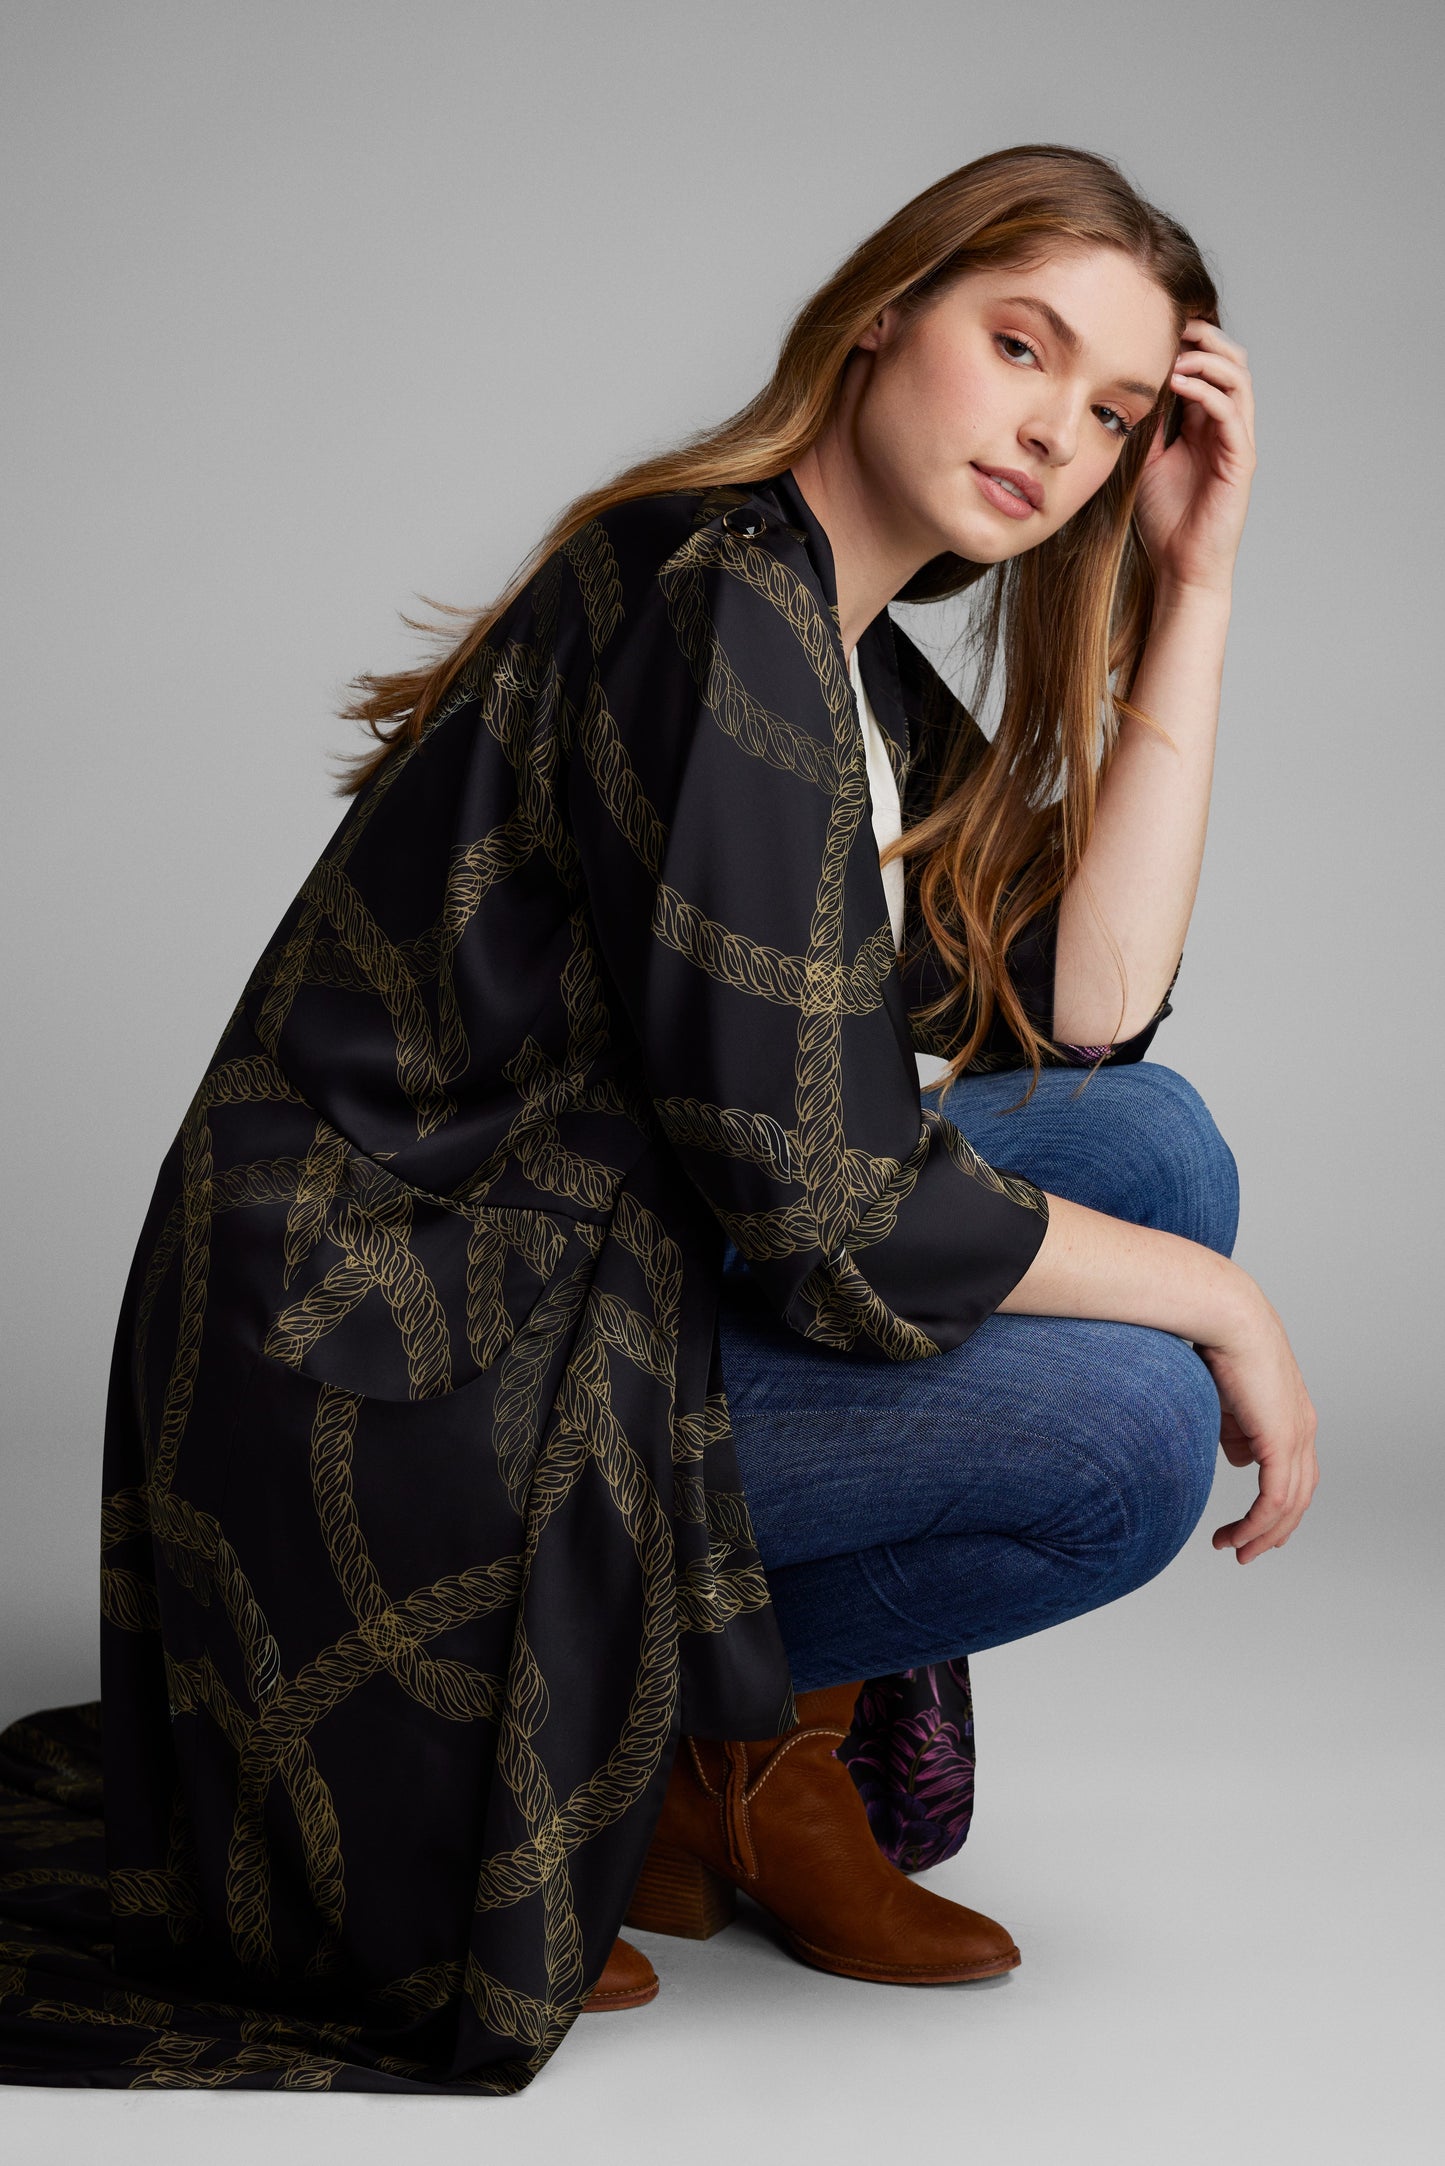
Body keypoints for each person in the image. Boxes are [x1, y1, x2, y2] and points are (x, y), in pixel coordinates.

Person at [0, 142, 1316, 2095]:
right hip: (405, 1364)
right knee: (1127, 1432)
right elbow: (839, 1218)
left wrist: (1190, 581)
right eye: (1020, 344)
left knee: (1148, 1143)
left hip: (586, 1283)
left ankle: (714, 1773)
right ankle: (612, 1759)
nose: (1058, 430)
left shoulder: (836, 642)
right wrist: (1225, 1305)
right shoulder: (716, 609)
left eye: (1114, 411)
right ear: (886, 315)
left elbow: (1087, 1007)